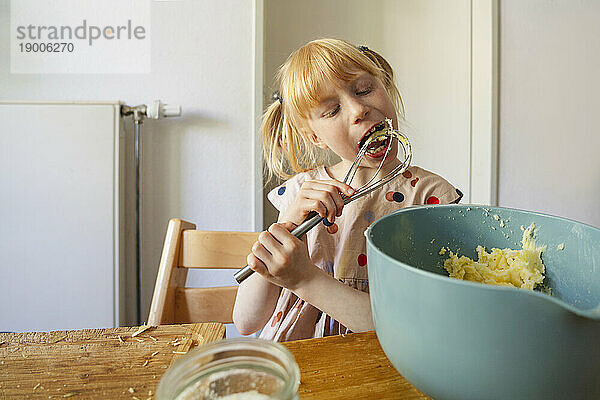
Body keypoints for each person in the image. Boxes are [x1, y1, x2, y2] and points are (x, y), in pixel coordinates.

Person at [233, 38, 462, 341]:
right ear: (315, 137)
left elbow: (413, 328)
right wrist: (286, 225)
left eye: (364, 89)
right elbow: (246, 321)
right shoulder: (302, 193)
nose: (358, 109)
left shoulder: (429, 197)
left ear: (385, 87)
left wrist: (305, 279)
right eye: (332, 110)